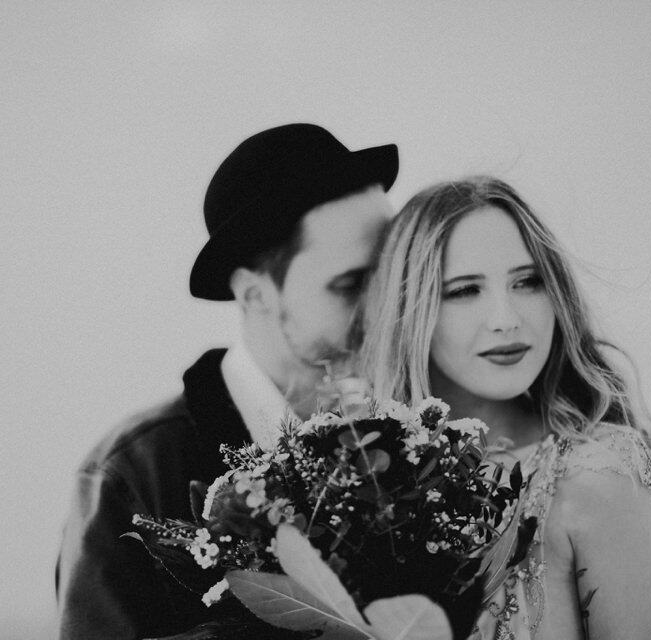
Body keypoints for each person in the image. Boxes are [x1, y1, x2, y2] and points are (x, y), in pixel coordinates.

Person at [55, 123, 397, 639]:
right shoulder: (134, 476)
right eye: (349, 286)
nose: (386, 311)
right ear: (254, 293)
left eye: (393, 280)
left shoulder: (419, 442)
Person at [360, 177, 651, 639]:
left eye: (528, 282)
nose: (507, 319)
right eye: (464, 290)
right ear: (410, 309)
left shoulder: (598, 477)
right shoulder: (356, 482)